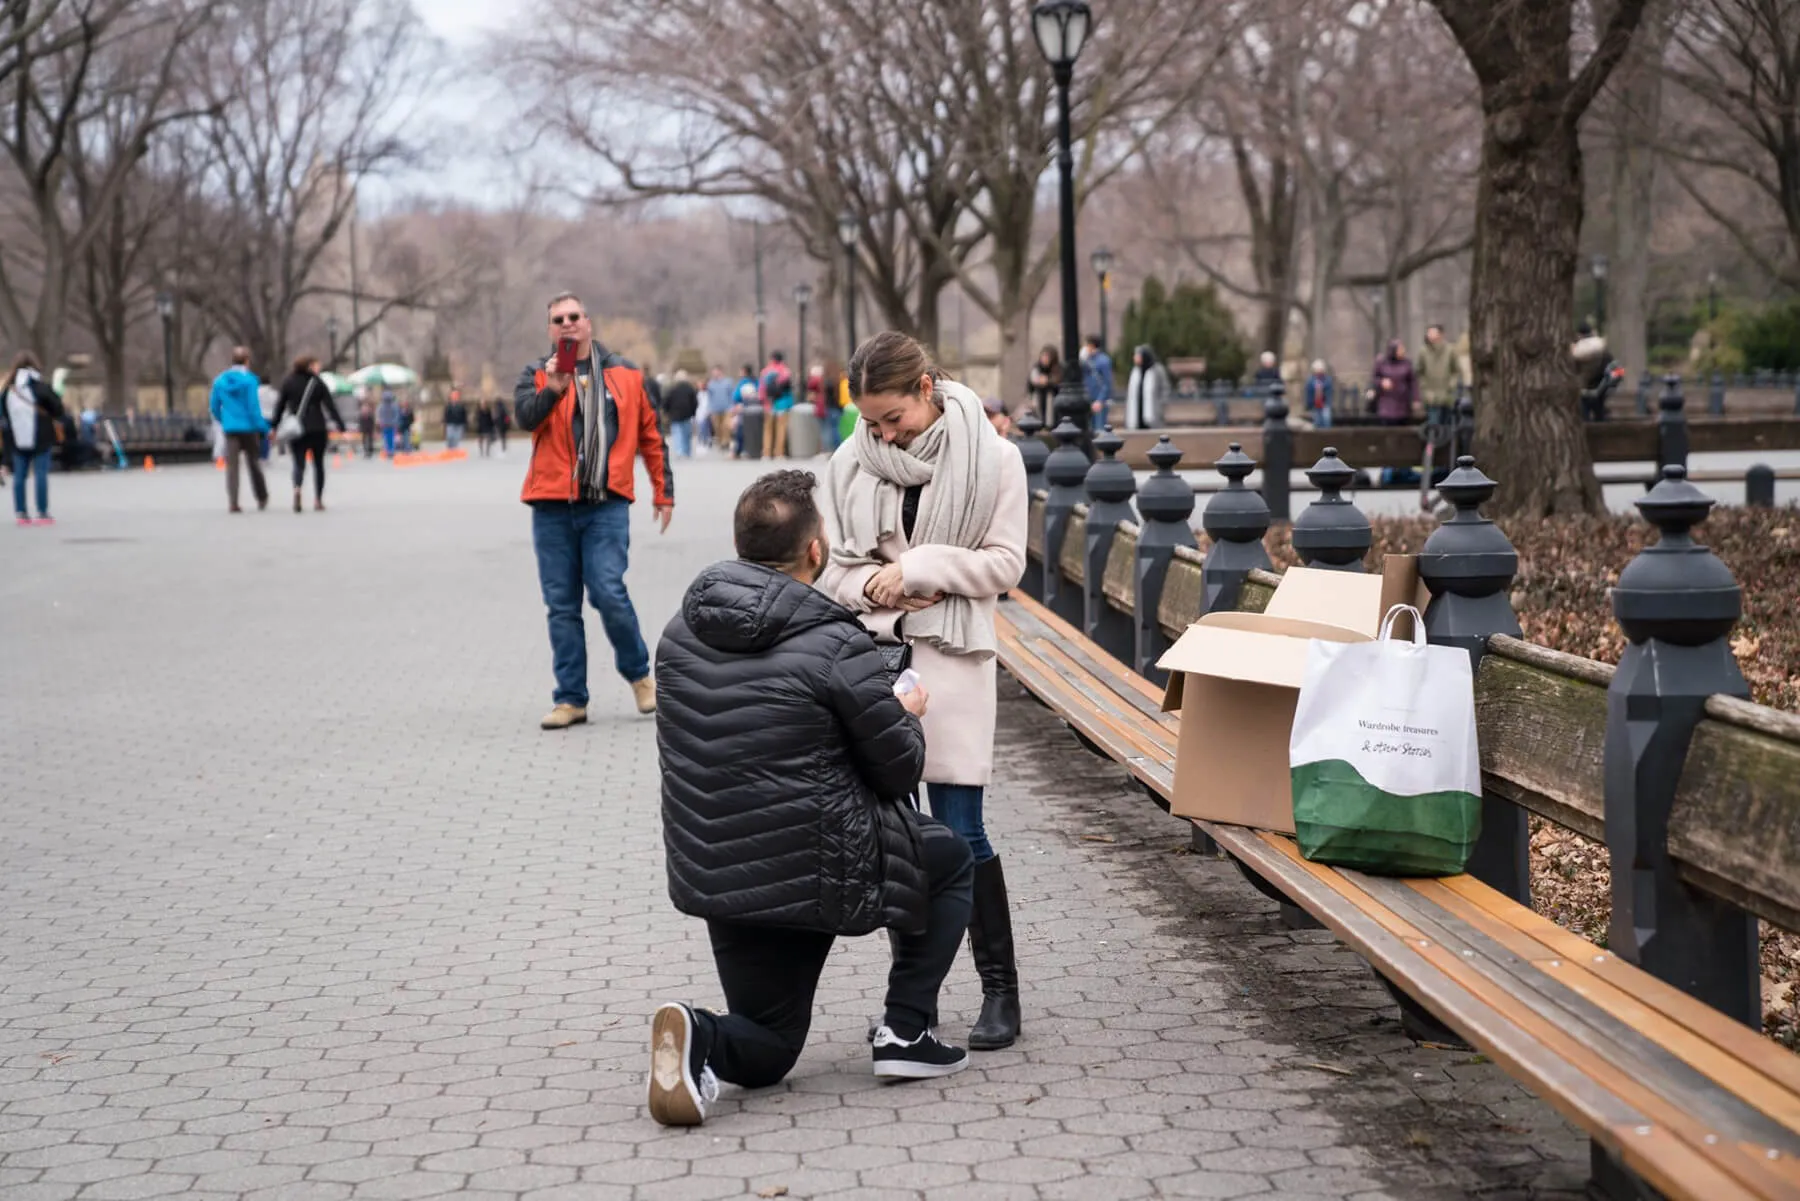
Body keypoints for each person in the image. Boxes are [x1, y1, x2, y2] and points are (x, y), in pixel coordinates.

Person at [647, 469, 975, 1127]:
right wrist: (905, 714)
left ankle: (700, 1032)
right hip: (817, 858)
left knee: (769, 1048)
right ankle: (907, 1030)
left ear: (741, 546)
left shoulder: (679, 635)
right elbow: (897, 772)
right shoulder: (836, 641)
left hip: (720, 867)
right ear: (816, 551)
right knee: (949, 857)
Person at [818, 330, 1029, 1052]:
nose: (881, 434)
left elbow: (1005, 563)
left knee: (962, 832)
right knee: (899, 842)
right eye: (870, 421)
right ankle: (916, 1005)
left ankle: (1000, 989)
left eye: (893, 418)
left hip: (954, 659)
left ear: (926, 389)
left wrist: (918, 568)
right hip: (874, 664)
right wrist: (880, 591)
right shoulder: (848, 463)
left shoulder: (995, 458)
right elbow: (831, 571)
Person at [516, 290, 673, 730]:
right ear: (550, 329)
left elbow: (651, 435)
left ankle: (640, 676)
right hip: (551, 506)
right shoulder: (536, 374)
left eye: (574, 316)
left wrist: (663, 492)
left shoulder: (626, 374)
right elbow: (526, 419)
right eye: (558, 319)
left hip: (606, 503)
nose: (567, 324)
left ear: (588, 323)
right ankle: (571, 699)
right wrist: (554, 388)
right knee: (561, 606)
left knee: (607, 590)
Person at [270, 356, 347, 513]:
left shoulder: (289, 382)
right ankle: (318, 499)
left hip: (297, 429)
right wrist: (341, 426)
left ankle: (297, 488)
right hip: (317, 427)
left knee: (298, 462)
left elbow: (280, 405)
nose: (318, 368)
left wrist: (274, 426)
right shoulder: (317, 382)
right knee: (318, 464)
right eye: (316, 365)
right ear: (310, 366)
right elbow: (330, 405)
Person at [5, 352, 64, 526]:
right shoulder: (40, 386)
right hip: (41, 435)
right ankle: (42, 512)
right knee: (40, 474)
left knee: (19, 476)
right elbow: (57, 408)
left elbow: (4, 415)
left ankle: (21, 513)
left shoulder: (9, 389)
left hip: (16, 437)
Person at [209, 347, 271, 513]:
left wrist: (224, 420)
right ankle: (262, 496)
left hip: (230, 428)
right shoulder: (250, 381)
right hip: (249, 428)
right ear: (247, 361)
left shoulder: (220, 381)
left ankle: (233, 501)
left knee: (232, 467)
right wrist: (263, 427)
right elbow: (253, 407)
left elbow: (214, 406)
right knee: (254, 463)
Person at [1416, 324, 1460, 427]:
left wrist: (1452, 384)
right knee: (1433, 424)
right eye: (1429, 333)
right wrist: (1425, 388)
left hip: (1447, 394)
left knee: (1448, 424)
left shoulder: (1450, 350)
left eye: (1433, 333)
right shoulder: (1423, 352)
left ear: (1440, 335)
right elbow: (1419, 372)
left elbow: (1456, 370)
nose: (1430, 335)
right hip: (1431, 396)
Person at [1370, 339, 1418, 425]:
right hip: (1386, 404)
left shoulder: (1407, 363)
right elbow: (1374, 378)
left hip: (1403, 404)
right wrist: (1381, 382)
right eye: (1400, 349)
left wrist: (1416, 399)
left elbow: (1413, 382)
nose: (1403, 351)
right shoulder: (1382, 362)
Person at [1124, 345, 1171, 430]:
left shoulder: (1157, 370)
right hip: (1136, 412)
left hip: (1154, 412)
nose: (1134, 358)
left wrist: (1161, 406)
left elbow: (1165, 388)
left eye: (1137, 355)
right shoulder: (1135, 371)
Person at [1573, 322, 1611, 421]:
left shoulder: (1580, 347)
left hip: (1586, 385)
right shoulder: (1600, 345)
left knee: (1585, 411)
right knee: (1599, 412)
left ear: (1579, 334)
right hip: (1600, 383)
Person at [760, 350, 794, 459]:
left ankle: (766, 453)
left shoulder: (765, 371)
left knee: (768, 429)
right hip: (782, 404)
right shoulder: (785, 371)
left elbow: (762, 388)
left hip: (768, 404)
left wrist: (763, 401)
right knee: (781, 428)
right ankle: (779, 453)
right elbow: (788, 389)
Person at [663, 370, 699, 459]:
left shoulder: (673, 389)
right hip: (687, 414)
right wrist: (693, 412)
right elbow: (695, 402)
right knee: (687, 434)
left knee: (677, 433)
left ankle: (679, 451)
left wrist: (667, 411)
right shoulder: (690, 389)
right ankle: (687, 451)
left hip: (675, 414)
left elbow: (666, 401)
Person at [1081, 335, 1114, 431]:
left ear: (1091, 345)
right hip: (1089, 398)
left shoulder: (1103, 360)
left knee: (1099, 428)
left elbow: (1107, 382)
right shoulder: (1087, 360)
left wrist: (1100, 400)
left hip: (1099, 400)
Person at [703, 366, 735, 451]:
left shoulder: (728, 382)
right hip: (715, 409)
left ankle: (726, 442)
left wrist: (732, 406)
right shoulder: (711, 384)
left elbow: (731, 394)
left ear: (720, 372)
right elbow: (709, 397)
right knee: (717, 427)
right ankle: (721, 442)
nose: (714, 374)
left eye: (716, 372)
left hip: (727, 408)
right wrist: (709, 409)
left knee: (726, 426)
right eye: (713, 372)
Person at [1026, 345, 1059, 424]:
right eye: (1043, 356)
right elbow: (1030, 384)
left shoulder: (1057, 369)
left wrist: (1048, 381)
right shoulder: (1037, 368)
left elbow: (1058, 384)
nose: (1044, 359)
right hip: (1039, 399)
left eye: (1047, 357)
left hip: (1052, 401)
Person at [732, 364, 758, 459]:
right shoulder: (756, 381)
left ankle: (738, 451)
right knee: (753, 431)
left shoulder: (743, 382)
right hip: (756, 409)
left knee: (740, 431)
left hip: (743, 409)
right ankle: (751, 450)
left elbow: (736, 396)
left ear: (744, 371)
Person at [1303, 360, 1335, 429]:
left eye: (1320, 369)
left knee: (1326, 420)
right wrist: (1309, 405)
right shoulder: (1311, 380)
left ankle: (1327, 434)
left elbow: (1329, 392)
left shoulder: (1327, 379)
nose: (1319, 371)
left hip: (1325, 403)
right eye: (1317, 369)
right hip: (1315, 404)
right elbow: (1309, 393)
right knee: (1317, 421)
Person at [376, 391, 399, 458]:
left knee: (388, 438)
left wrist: (381, 422)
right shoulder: (391, 406)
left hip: (389, 425)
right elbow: (379, 415)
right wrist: (381, 422)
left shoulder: (391, 406)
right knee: (388, 439)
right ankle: (389, 451)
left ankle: (390, 451)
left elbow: (396, 415)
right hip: (387, 425)